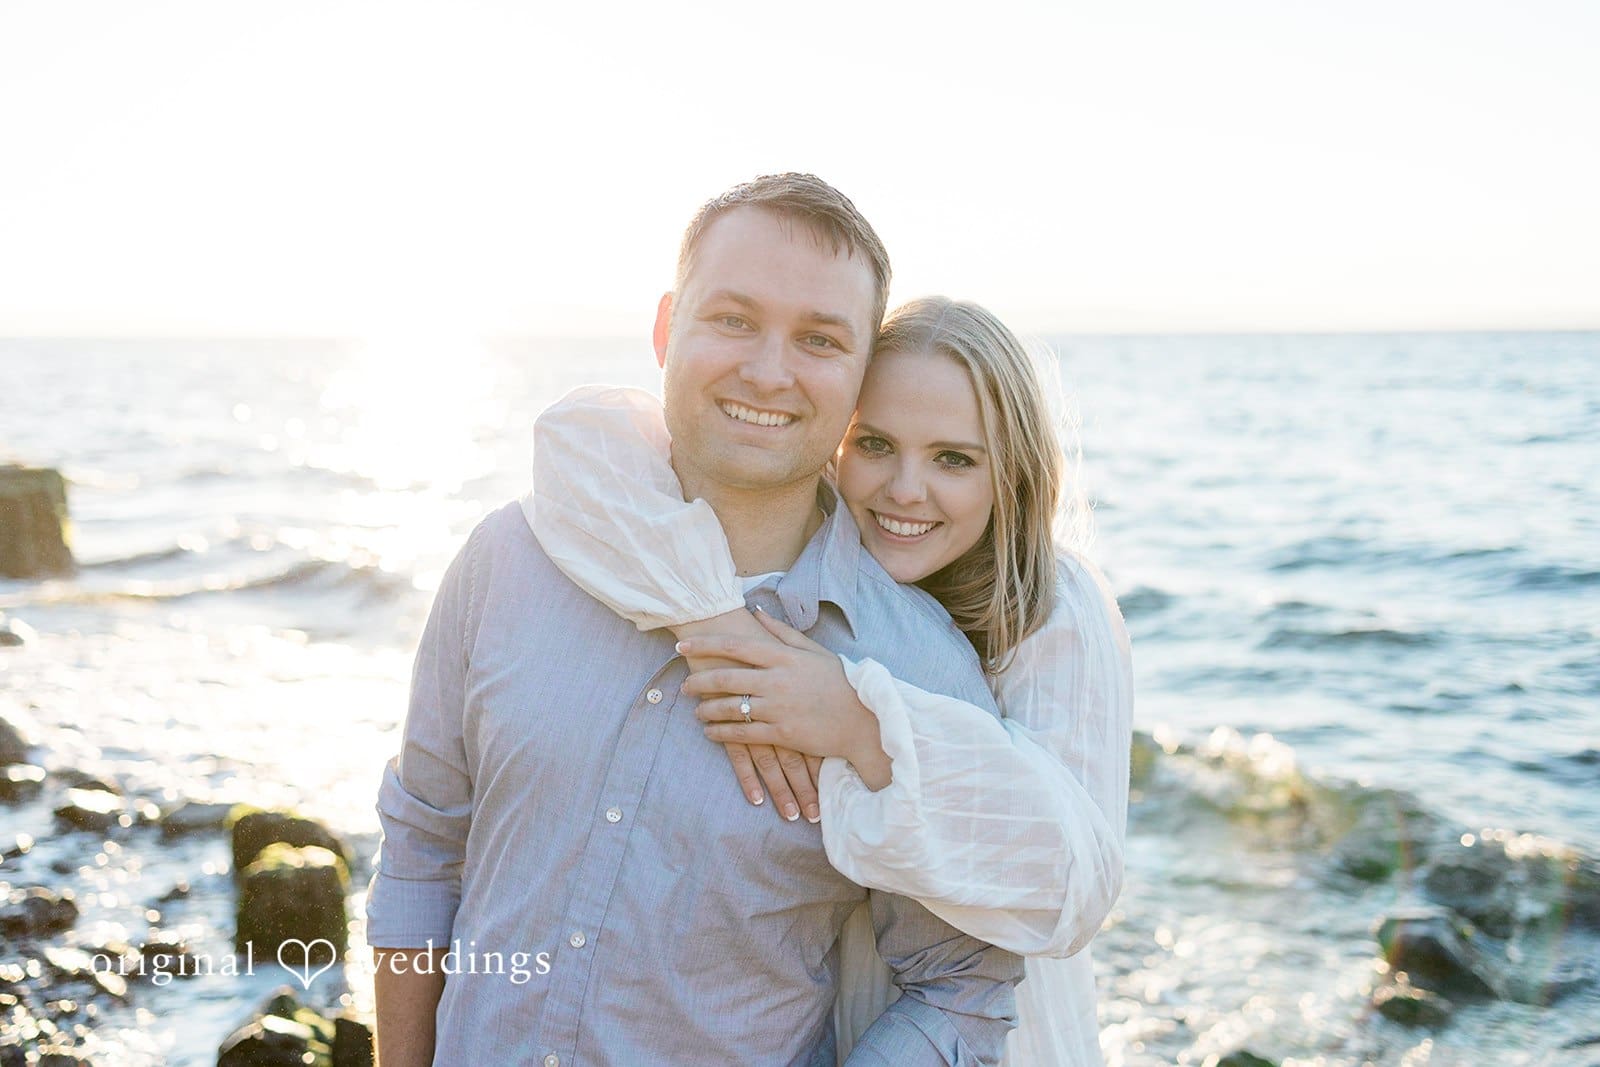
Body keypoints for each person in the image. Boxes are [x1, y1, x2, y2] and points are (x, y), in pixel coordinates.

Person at [364, 175, 1025, 1067]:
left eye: (819, 339)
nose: (767, 370)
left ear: (862, 372)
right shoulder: (509, 557)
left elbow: (964, 984)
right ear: (668, 326)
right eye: (734, 319)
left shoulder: (911, 672)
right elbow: (422, 849)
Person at [529, 297, 1134, 1065]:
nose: (905, 490)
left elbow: (1070, 882)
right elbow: (583, 447)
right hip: (831, 1016)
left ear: (1009, 471)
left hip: (996, 1029)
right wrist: (711, 615)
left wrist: (857, 722)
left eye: (954, 458)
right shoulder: (809, 575)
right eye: (876, 443)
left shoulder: (1050, 606)